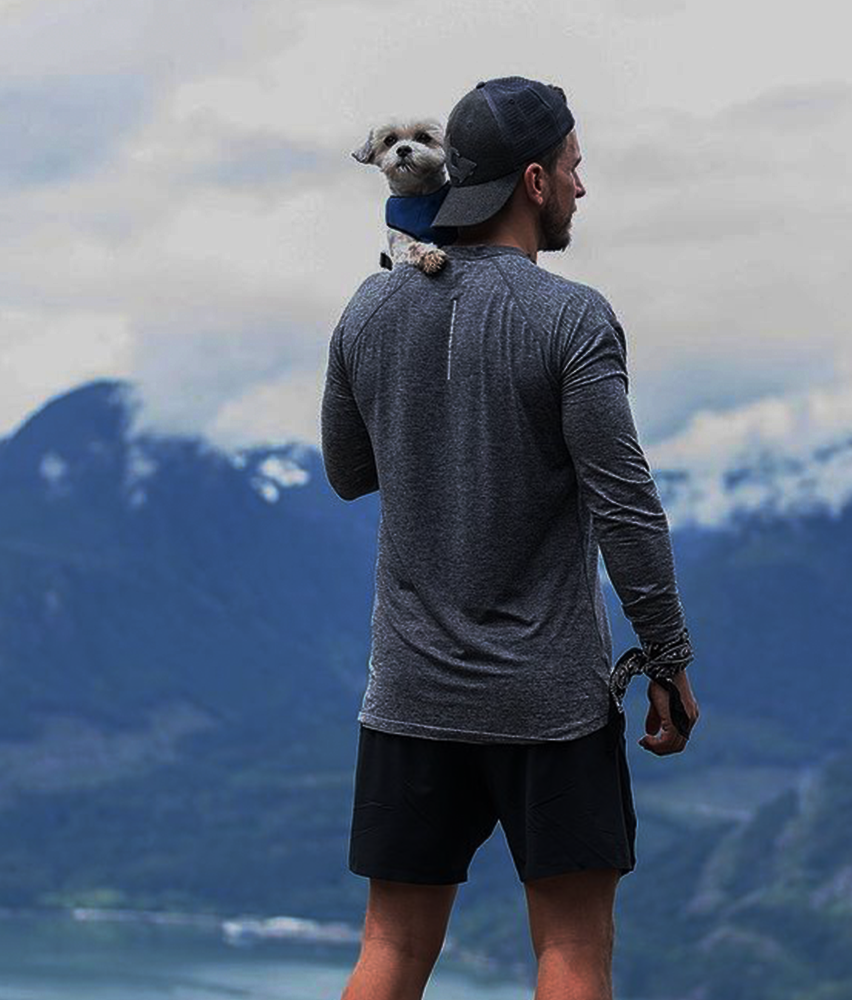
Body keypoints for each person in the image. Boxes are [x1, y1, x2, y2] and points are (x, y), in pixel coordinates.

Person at [320, 75, 700, 1000]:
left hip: (409, 694)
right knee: (571, 950)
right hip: (550, 703)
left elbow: (348, 473)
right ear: (534, 180)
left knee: (392, 949)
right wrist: (668, 656)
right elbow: (625, 506)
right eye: (573, 166)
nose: (580, 186)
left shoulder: (369, 308)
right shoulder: (571, 317)